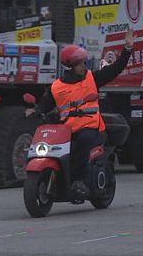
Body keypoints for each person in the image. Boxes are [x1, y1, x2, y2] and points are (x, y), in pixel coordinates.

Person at [30, 29, 134, 200]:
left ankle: (80, 182)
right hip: (67, 131)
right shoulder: (56, 87)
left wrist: (127, 49)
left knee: (83, 143)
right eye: (79, 64)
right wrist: (35, 111)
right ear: (70, 67)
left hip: (92, 129)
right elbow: (45, 104)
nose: (83, 67)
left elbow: (115, 69)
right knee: (52, 147)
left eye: (83, 63)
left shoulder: (92, 78)